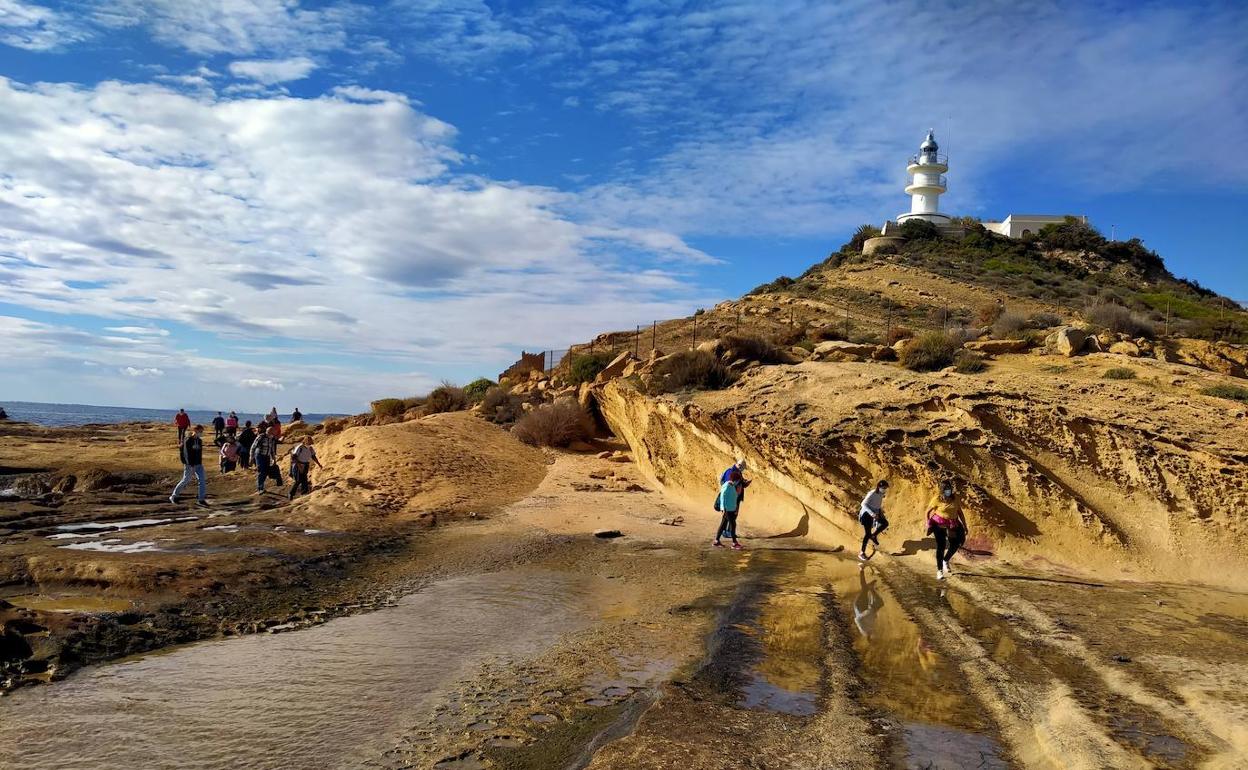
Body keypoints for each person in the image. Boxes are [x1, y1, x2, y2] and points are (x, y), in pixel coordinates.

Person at [925, 481, 968, 580]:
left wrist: (965, 526)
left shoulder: (955, 498)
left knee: (957, 542)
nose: (949, 490)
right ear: (942, 490)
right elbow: (927, 512)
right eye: (946, 489)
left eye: (949, 488)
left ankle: (946, 560)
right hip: (938, 524)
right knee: (941, 546)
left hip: (953, 523)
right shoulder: (937, 499)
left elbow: (960, 513)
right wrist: (928, 523)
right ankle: (939, 571)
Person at [170, 424, 208, 506]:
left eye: (202, 432)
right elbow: (186, 453)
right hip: (189, 465)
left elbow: (199, 453)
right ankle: (174, 496)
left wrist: (199, 463)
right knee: (185, 480)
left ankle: (201, 499)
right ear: (195, 431)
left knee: (202, 481)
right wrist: (190, 464)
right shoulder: (188, 440)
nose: (201, 433)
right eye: (200, 431)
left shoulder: (200, 441)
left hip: (198, 464)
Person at [858, 480, 890, 561]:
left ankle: (874, 535)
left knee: (885, 523)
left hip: (874, 513)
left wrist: (881, 514)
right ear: (879, 487)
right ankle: (862, 553)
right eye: (883, 488)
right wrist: (872, 514)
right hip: (866, 514)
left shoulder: (881, 494)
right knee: (867, 533)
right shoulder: (872, 493)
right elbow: (863, 504)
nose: (885, 489)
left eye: (885, 488)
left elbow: (877, 506)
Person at [713, 468, 744, 550]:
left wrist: (735, 508)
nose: (738, 482)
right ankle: (734, 543)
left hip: (730, 509)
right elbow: (723, 497)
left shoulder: (732, 486)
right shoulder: (727, 486)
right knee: (733, 525)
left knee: (723, 525)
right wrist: (723, 509)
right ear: (735, 480)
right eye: (737, 480)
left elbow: (733, 497)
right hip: (727, 510)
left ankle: (717, 541)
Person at [251, 426, 280, 494]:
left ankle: (262, 487)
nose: (274, 433)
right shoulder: (261, 437)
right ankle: (260, 488)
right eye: (273, 431)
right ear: (269, 431)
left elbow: (272, 449)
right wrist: (251, 457)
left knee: (266, 471)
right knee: (261, 471)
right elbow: (253, 447)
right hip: (259, 456)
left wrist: (274, 459)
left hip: (267, 456)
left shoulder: (271, 438)